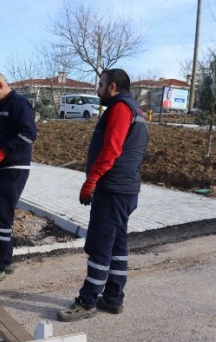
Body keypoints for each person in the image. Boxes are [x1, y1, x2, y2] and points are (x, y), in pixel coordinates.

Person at [57, 68, 148, 322]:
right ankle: (113, 297)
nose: (97, 90)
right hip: (126, 189)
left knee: (99, 246)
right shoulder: (136, 110)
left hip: (112, 189)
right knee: (117, 245)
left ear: (113, 87)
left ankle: (87, 302)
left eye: (100, 85)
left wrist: (92, 180)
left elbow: (111, 149)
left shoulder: (120, 108)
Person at [0, 71, 37, 287]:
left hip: (14, 167)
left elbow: (29, 133)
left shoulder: (17, 104)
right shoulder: (2, 106)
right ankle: (6, 259)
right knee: (1, 215)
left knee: (1, 217)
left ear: (0, 84)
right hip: (4, 168)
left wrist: (4, 152)